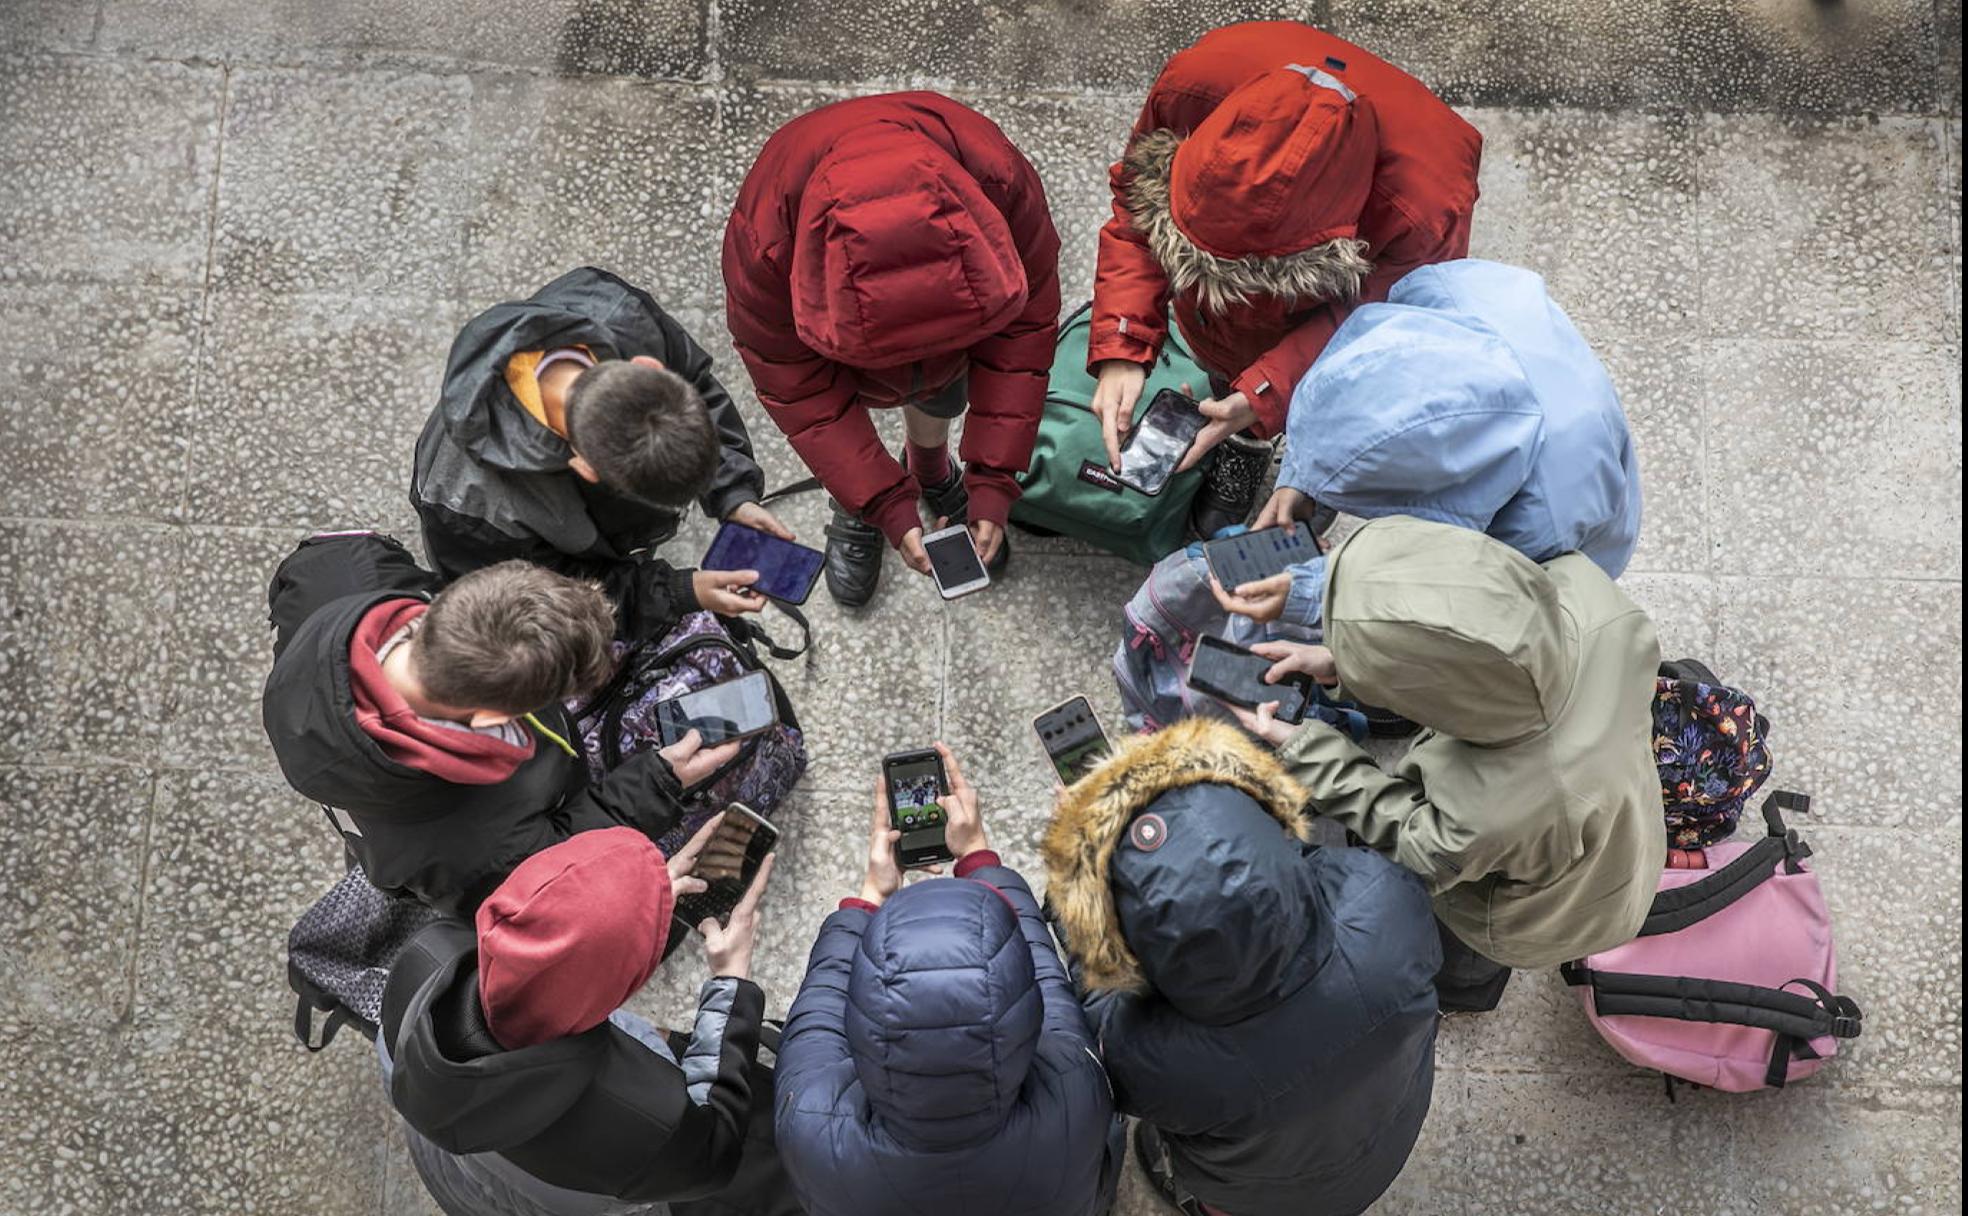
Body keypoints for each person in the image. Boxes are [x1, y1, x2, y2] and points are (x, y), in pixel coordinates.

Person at [1232, 516, 1665, 1011]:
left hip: (1548, 913)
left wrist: (1304, 746)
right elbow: (1465, 633)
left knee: (1465, 951)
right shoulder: (1595, 600)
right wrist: (1342, 663)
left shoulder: (1490, 812)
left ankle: (1461, 993)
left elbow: (1414, 840)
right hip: (1627, 823)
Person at [1087, 21, 1482, 537]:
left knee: (1339, 391)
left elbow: (1376, 325)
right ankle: (1248, 435)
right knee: (1229, 375)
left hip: (1345, 308)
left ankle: (1308, 464)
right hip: (1235, 324)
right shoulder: (1190, 89)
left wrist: (1268, 391)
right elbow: (1139, 211)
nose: (1223, 288)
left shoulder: (1426, 207)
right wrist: (1123, 340)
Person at [1042, 718, 1439, 1216]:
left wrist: (1078, 886)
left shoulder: (1147, 1060)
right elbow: (1294, 866)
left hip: (1256, 1198)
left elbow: (1099, 1000)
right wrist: (1185, 787)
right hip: (1387, 1139)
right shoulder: (1389, 904)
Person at [262, 533, 737, 916]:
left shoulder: (345, 565)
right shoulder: (475, 856)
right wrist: (654, 785)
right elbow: (555, 865)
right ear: (491, 719)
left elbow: (294, 577)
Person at [723, 92, 1061, 607]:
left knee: (942, 394)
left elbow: (1024, 331)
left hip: (909, 354)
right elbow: (803, 393)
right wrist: (880, 501)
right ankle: (855, 503)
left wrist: (992, 477)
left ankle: (928, 468)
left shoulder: (1000, 183)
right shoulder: (766, 242)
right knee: (848, 435)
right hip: (849, 362)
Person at [379, 822, 799, 1215]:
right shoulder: (646, 1116)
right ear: (617, 994)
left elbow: (554, 934)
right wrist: (730, 981)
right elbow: (715, 1151)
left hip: (450, 1167)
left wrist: (630, 900)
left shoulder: (425, 955)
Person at [774, 745, 1122, 1216]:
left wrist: (871, 894)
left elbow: (817, 1015)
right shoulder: (1077, 1090)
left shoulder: (810, 1127)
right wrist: (979, 857)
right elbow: (1047, 978)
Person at [1214, 259, 1643, 628]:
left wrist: (1325, 592)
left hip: (1576, 532)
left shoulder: (1545, 523)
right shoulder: (1448, 288)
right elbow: (1355, 384)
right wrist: (1302, 474)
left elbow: (1469, 594)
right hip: (1561, 395)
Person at [411, 266, 787, 637]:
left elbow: (697, 384)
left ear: (649, 367)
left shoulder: (621, 311)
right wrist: (676, 593)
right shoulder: (464, 501)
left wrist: (734, 494)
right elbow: (540, 605)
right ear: (585, 466)